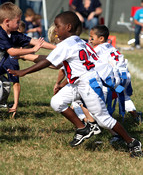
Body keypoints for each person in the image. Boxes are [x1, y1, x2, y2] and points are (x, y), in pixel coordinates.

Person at [8, 11, 142, 157]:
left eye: (58, 26)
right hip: (80, 83)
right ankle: (84, 128)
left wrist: (24, 71)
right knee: (57, 102)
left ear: (68, 27)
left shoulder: (67, 44)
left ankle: (132, 142)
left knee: (104, 120)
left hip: (89, 85)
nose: (56, 30)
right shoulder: (79, 41)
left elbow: (48, 62)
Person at [0, 2, 56, 118]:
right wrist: (32, 50)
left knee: (4, 86)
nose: (20, 24)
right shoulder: (1, 33)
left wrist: (57, 48)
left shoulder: (13, 34)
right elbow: (11, 51)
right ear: (7, 22)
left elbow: (36, 42)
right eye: (17, 21)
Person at [89, 25, 142, 122]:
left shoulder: (97, 50)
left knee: (98, 99)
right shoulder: (111, 46)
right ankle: (136, 116)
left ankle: (99, 121)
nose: (90, 40)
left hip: (113, 81)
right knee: (123, 94)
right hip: (124, 79)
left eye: (92, 37)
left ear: (101, 39)